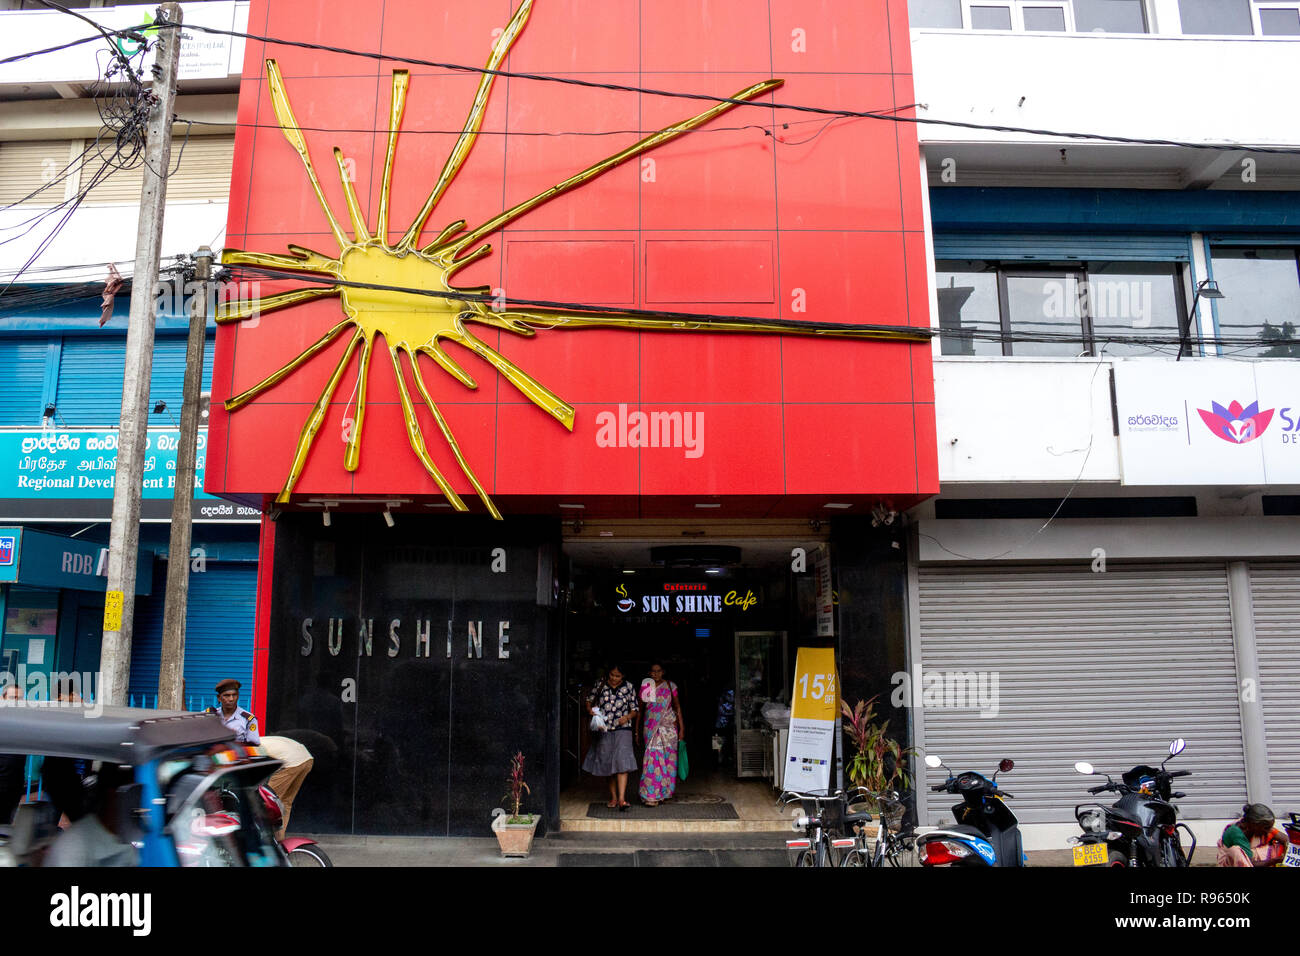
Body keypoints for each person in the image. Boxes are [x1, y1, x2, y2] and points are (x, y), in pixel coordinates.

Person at [45, 764, 137, 867]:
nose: (137, 804)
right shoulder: (74, 845)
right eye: (133, 796)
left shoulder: (126, 841)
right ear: (113, 796)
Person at [582, 665, 639, 811]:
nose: (614, 678)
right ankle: (613, 797)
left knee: (622, 762)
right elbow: (589, 700)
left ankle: (621, 799)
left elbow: (635, 710)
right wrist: (591, 711)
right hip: (604, 729)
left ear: (623, 676)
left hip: (623, 729)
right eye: (612, 675)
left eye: (618, 676)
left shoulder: (629, 687)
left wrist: (626, 717)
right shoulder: (600, 684)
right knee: (607, 763)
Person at [637, 663, 684, 807]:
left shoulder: (671, 686)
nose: (655, 674)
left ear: (663, 672)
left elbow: (677, 707)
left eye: (658, 671)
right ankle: (651, 794)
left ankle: (664, 792)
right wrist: (636, 730)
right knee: (652, 760)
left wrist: (682, 728)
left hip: (669, 729)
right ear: (649, 673)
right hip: (651, 729)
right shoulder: (647, 686)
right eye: (653, 671)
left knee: (668, 761)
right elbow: (641, 709)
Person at [260, 735, 313, 841]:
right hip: (307, 759)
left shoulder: (249, 746)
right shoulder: (260, 740)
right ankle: (279, 840)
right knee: (285, 802)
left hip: (292, 763)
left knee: (266, 801)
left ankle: (268, 841)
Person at [1217, 803, 1288, 867]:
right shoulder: (1236, 833)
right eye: (1266, 828)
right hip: (1232, 862)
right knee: (1236, 851)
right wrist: (1274, 860)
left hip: (1251, 856)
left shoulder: (1256, 827)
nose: (1269, 830)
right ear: (1255, 824)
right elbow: (1251, 863)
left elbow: (1286, 840)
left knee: (1281, 847)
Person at [205, 679, 260, 744]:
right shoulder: (208, 715)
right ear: (219, 698)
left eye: (234, 695)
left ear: (238, 696)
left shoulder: (248, 719)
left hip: (236, 753)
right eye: (227, 695)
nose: (231, 699)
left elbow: (253, 744)